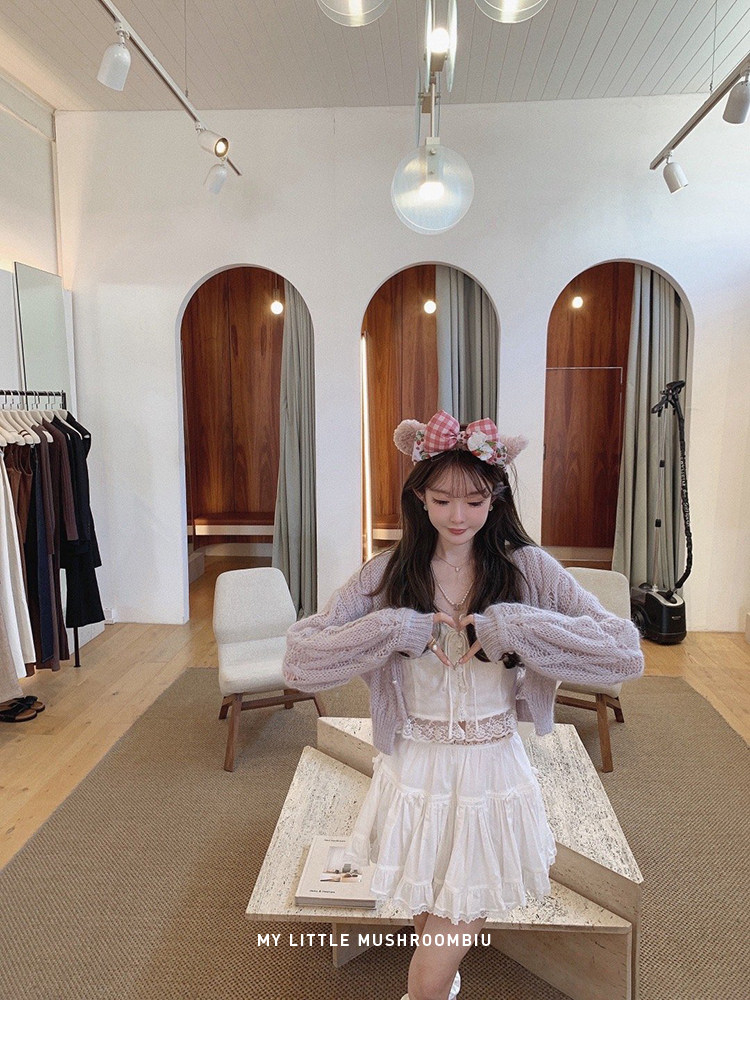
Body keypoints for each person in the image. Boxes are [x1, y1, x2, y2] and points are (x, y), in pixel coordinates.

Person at [283, 411, 644, 1001]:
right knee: (429, 916)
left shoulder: (528, 570)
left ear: (495, 498)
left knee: (426, 975)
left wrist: (518, 627)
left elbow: (623, 652)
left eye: (474, 501)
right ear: (419, 498)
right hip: (413, 770)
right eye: (443, 500)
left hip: (489, 775)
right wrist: (391, 629)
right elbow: (301, 659)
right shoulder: (387, 574)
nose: (458, 516)